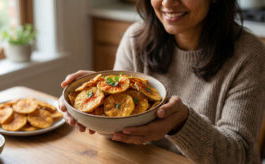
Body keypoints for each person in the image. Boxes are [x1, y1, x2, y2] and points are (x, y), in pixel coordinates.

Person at [58, 0, 265, 163]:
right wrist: (96, 103)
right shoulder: (135, 40)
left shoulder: (249, 56)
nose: (167, 3)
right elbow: (117, 137)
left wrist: (181, 123)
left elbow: (240, 157)